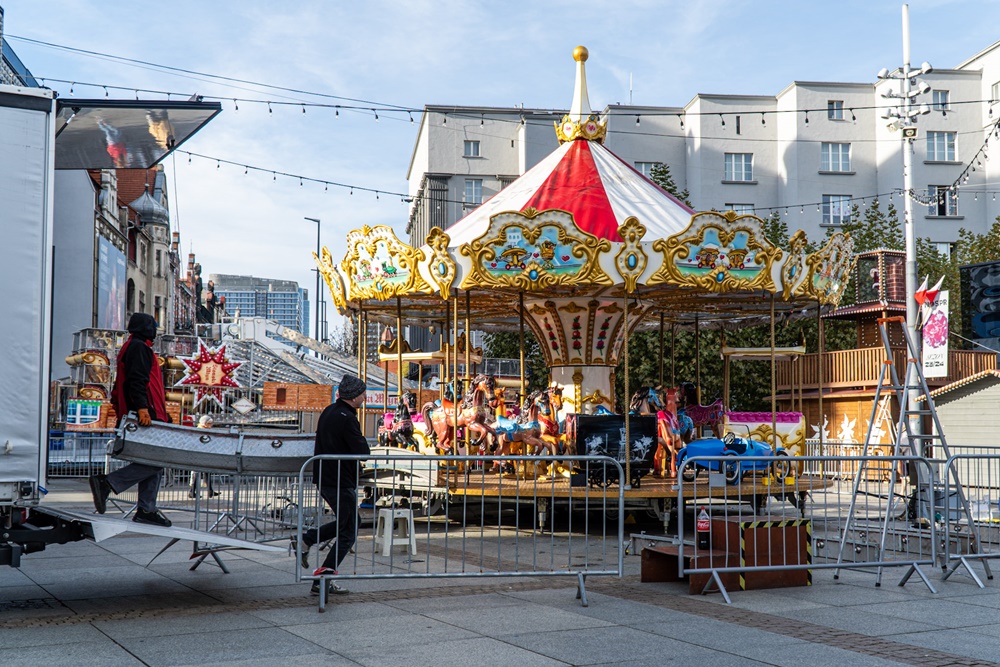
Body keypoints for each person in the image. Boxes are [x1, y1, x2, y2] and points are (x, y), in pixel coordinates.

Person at [88, 312, 172, 527]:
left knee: (151, 461)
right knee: (158, 459)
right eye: (153, 325)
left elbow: (124, 385)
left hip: (144, 412)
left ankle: (146, 508)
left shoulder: (133, 346)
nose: (155, 329)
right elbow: (137, 380)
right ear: (146, 327)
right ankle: (108, 483)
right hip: (144, 414)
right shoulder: (139, 347)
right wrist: (143, 409)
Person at [294, 374, 369, 596]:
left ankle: (319, 569)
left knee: (349, 525)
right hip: (340, 479)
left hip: (327, 477)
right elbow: (362, 452)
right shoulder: (347, 418)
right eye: (363, 393)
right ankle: (318, 567)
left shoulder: (329, 411)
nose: (365, 397)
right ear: (354, 396)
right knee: (348, 530)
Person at [188, 415, 219, 499]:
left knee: (207, 473)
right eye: (209, 423)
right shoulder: (199, 431)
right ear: (204, 423)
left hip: (204, 455)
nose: (211, 425)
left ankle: (210, 491)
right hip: (198, 455)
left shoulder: (207, 432)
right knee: (196, 473)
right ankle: (192, 491)